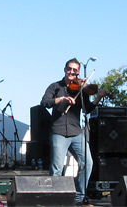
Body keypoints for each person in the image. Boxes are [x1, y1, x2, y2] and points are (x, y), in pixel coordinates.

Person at [40, 58, 106, 205]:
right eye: (69, 69)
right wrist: (61, 99)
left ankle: (80, 196)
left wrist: (98, 98)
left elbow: (87, 108)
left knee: (87, 163)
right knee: (57, 168)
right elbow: (44, 102)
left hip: (76, 131)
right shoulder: (55, 87)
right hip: (58, 131)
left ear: (78, 72)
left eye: (75, 70)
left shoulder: (81, 89)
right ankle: (54, 198)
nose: (72, 72)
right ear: (65, 69)